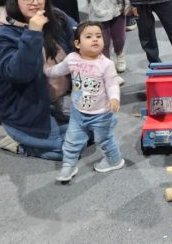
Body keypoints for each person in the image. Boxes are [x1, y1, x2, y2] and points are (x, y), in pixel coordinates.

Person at [0, 0, 77, 159]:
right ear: (15, 1)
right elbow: (20, 74)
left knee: (96, 130)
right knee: (66, 150)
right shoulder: (2, 36)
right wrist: (33, 32)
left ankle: (47, 133)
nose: (35, 3)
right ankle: (19, 144)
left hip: (61, 98)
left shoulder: (57, 17)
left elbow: (80, 38)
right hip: (27, 108)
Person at [44, 22, 123, 182]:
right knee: (71, 140)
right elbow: (59, 70)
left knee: (104, 139)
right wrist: (46, 71)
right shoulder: (72, 59)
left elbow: (112, 83)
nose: (95, 39)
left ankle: (114, 160)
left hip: (101, 114)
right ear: (77, 44)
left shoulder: (106, 64)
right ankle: (68, 165)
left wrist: (114, 98)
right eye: (89, 36)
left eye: (98, 36)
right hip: (78, 112)